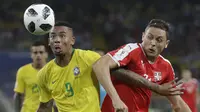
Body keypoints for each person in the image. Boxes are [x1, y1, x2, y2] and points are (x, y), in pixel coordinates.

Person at [93, 19, 191, 112]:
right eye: (149, 37)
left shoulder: (166, 66)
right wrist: (116, 99)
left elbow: (177, 103)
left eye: (159, 40)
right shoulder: (132, 50)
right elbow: (99, 65)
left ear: (166, 43)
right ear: (143, 36)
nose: (153, 43)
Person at [36, 21, 102, 112]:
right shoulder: (44, 74)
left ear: (72, 40)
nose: (57, 40)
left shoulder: (89, 58)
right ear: (48, 42)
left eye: (62, 36)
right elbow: (45, 107)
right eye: (53, 36)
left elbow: (114, 75)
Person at [14, 41, 48, 112]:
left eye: (41, 52)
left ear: (46, 54)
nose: (38, 55)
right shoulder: (23, 71)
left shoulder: (54, 71)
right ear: (31, 55)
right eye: (35, 53)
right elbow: (18, 95)